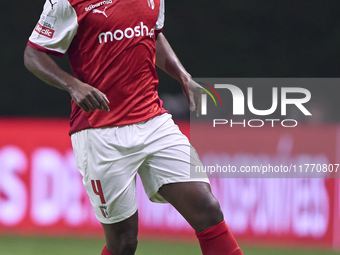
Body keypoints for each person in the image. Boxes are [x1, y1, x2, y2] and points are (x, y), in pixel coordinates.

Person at [24, 0, 243, 254]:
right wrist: (73, 85)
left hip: (154, 121)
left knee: (208, 210)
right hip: (101, 130)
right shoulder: (68, 3)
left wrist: (183, 76)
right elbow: (33, 54)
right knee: (124, 242)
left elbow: (153, 35)